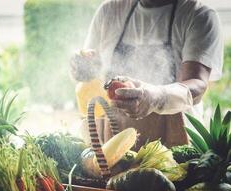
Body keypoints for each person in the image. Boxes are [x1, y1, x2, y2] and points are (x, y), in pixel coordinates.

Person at [70, 0, 223, 150]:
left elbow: (196, 83)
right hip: (112, 148)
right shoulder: (110, 11)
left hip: (176, 149)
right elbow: (90, 73)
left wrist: (155, 98)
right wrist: (81, 67)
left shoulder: (199, 16)